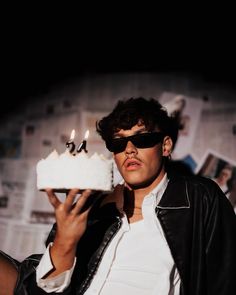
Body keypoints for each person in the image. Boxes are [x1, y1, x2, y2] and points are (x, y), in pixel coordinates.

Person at [13, 97, 236, 294]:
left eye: (142, 139)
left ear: (165, 146)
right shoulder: (91, 205)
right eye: (119, 143)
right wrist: (64, 244)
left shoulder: (199, 197)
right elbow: (41, 290)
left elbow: (225, 278)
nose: (129, 149)